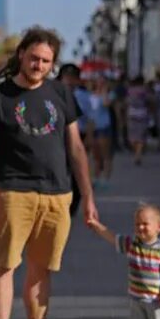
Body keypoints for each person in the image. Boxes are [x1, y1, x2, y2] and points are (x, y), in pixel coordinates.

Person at [0, 26, 97, 319]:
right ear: (21, 55)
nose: (38, 65)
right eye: (33, 58)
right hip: (12, 191)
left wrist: (88, 196)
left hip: (57, 193)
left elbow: (75, 147)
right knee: (4, 265)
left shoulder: (60, 93)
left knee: (42, 268)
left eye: (46, 61)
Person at [58, 64, 91, 216]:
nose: (70, 81)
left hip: (80, 135)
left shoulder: (83, 97)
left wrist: (89, 139)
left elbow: (90, 119)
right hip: (58, 137)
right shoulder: (54, 94)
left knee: (76, 169)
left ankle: (73, 204)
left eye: (73, 78)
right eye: (67, 77)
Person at [88, 79, 114, 187]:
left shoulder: (109, 95)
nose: (99, 84)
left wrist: (104, 91)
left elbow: (106, 103)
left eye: (102, 82)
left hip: (104, 126)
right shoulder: (89, 95)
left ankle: (106, 178)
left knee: (105, 154)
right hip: (92, 127)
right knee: (95, 155)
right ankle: (96, 178)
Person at [125, 76, 151, 166]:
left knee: (133, 135)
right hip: (142, 114)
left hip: (132, 114)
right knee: (141, 136)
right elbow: (149, 101)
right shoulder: (145, 90)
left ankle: (137, 153)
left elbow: (127, 102)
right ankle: (138, 154)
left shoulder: (130, 90)